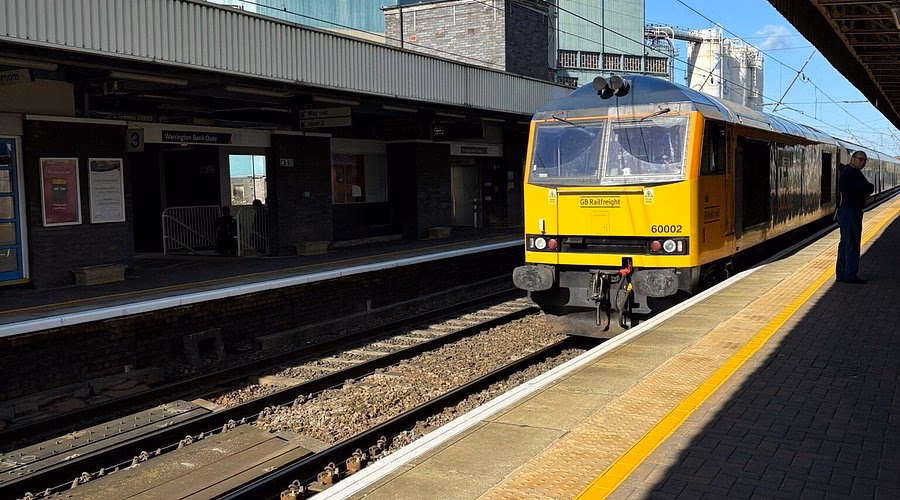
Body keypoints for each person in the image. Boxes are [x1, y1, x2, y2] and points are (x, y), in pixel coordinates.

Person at [835, 150, 875, 284]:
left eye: (864, 160)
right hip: (851, 212)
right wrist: (868, 188)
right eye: (860, 159)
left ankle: (841, 274)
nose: (862, 162)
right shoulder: (852, 173)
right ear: (852, 158)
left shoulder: (847, 171)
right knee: (852, 243)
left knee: (845, 243)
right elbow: (868, 188)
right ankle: (850, 275)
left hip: (845, 211)